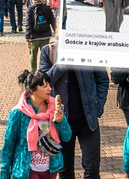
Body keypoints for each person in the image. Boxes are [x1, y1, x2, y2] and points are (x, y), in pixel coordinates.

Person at [39, 41, 109, 179]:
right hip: (62, 122)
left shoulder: (91, 49)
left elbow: (103, 80)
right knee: (65, 170)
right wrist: (61, 64)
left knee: (92, 169)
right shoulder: (49, 51)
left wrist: (98, 107)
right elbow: (43, 83)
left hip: (88, 120)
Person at [0, 70, 72, 179]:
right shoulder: (18, 113)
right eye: (44, 86)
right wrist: (4, 175)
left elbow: (67, 137)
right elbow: (8, 146)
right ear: (33, 89)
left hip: (51, 168)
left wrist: (60, 121)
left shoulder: (55, 108)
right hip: (27, 170)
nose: (49, 89)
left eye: (49, 85)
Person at [26, 0, 55, 71]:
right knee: (46, 56)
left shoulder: (30, 10)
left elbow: (28, 25)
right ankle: (45, 71)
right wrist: (56, 32)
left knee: (33, 57)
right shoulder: (47, 8)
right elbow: (52, 20)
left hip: (34, 38)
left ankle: (33, 72)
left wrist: (27, 39)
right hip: (45, 36)